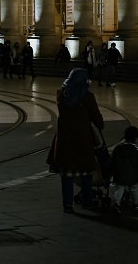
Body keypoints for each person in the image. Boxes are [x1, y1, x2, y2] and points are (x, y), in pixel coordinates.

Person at [46, 68, 106, 213]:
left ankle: (67, 205)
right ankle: (87, 201)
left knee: (66, 174)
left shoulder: (61, 94)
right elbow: (98, 121)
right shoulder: (88, 96)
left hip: (65, 139)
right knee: (86, 171)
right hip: (83, 139)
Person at [109, 125, 138, 213]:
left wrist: (111, 172)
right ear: (136, 137)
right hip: (132, 174)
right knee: (133, 188)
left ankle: (116, 204)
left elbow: (112, 161)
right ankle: (135, 203)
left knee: (120, 188)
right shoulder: (137, 149)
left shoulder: (118, 148)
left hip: (119, 173)